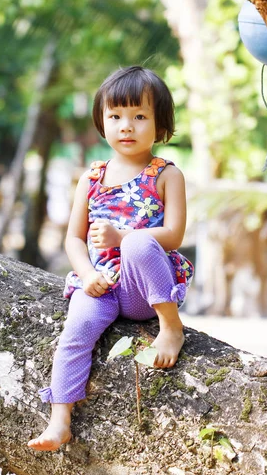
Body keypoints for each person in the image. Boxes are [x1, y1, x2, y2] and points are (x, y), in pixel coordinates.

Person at [27, 66, 194, 452]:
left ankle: (171, 326)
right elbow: (74, 238)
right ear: (102, 122)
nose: (127, 126)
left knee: (137, 244)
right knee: (75, 333)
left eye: (140, 116)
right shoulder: (92, 177)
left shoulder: (166, 175)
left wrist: (123, 237)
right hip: (104, 283)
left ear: (160, 125)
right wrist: (86, 274)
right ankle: (59, 420)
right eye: (116, 116)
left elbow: (174, 236)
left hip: (143, 288)